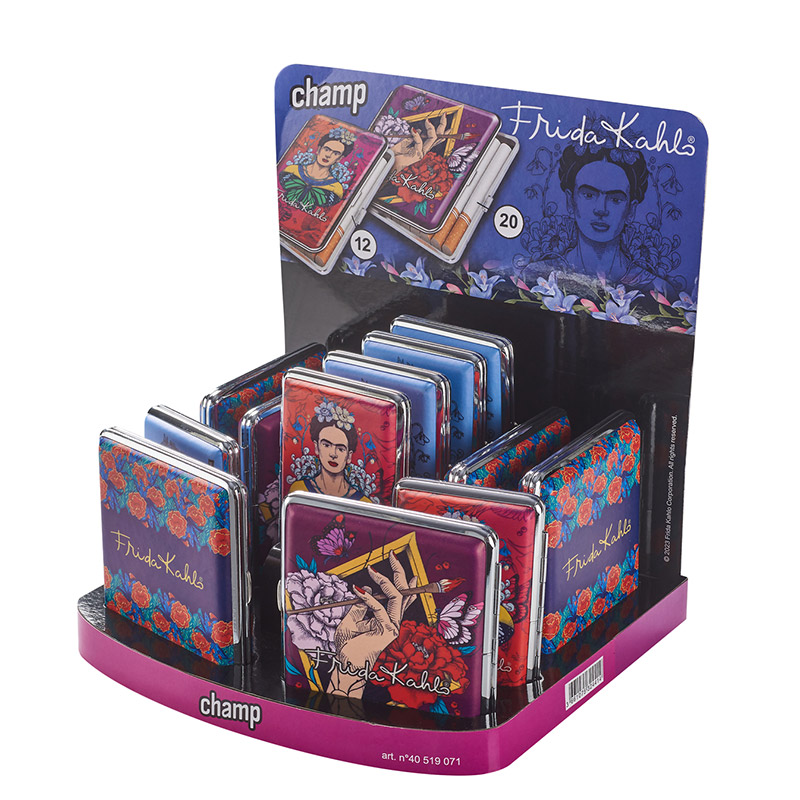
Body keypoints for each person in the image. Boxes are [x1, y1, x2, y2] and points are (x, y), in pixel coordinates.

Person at [558, 143, 649, 281]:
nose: (601, 209)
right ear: (570, 201)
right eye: (589, 195)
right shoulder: (537, 274)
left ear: (631, 209)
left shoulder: (656, 287)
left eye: (615, 199)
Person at [289, 402, 372, 501]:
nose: (333, 454)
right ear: (317, 447)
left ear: (349, 456)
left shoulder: (364, 502)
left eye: (340, 449)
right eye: (326, 445)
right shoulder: (300, 490)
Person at [279, 127, 356, 210]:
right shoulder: (292, 170)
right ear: (319, 149)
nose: (328, 155)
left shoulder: (336, 188)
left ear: (339, 158)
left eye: (336, 153)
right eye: (327, 149)